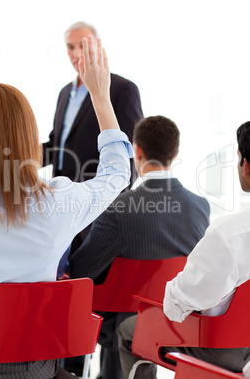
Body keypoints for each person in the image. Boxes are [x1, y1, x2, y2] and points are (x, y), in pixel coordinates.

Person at [0, 36, 133, 378]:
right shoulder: (60, 201)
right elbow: (117, 173)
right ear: (28, 138)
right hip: (37, 369)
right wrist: (100, 97)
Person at [69, 116, 210, 379]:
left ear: (137, 152)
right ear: (176, 153)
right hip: (176, 320)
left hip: (119, 323)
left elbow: (80, 270)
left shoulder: (118, 208)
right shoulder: (200, 207)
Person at [117, 121, 250, 378]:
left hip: (220, 346)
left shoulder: (229, 233)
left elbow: (183, 300)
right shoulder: (201, 207)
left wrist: (168, 298)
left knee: (127, 331)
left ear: (245, 165)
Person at [42, 21, 143, 254]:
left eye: (82, 46)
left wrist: (111, 205)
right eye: (70, 47)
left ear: (98, 48)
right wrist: (16, 155)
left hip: (96, 209)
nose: (76, 54)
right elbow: (57, 145)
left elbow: (132, 153)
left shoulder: (121, 89)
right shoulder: (64, 92)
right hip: (60, 209)